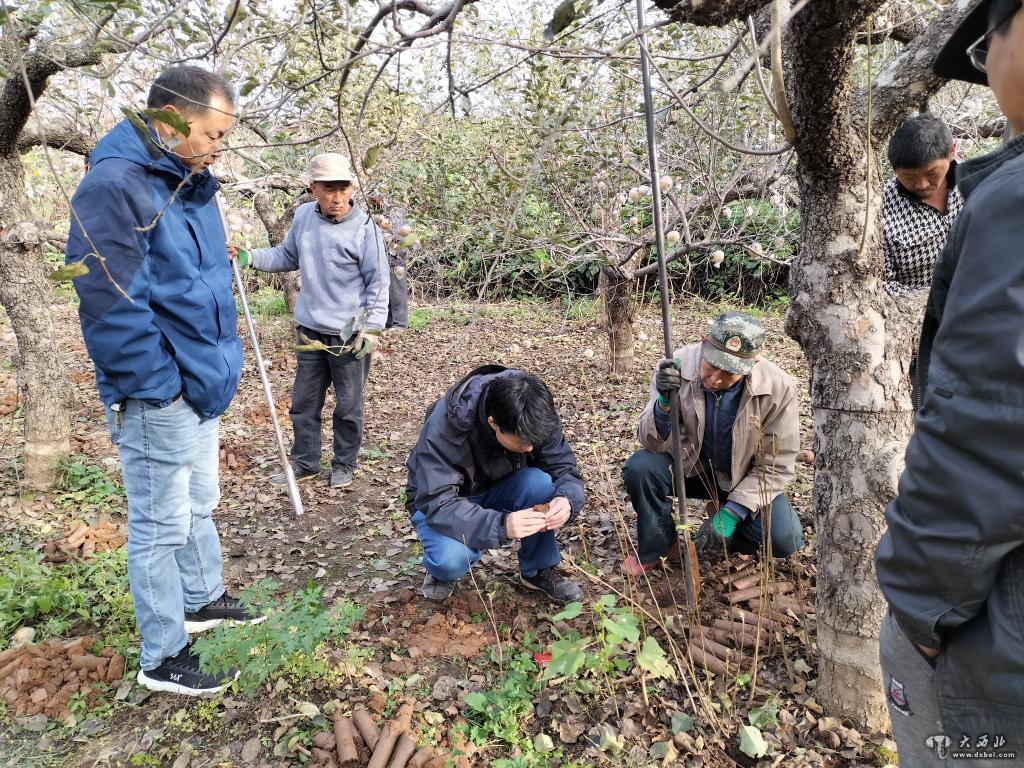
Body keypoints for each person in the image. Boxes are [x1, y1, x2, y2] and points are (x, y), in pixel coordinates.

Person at [65, 66, 263, 696]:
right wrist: (160, 385)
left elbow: (194, 284)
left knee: (199, 504)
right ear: (174, 120)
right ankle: (163, 656)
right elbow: (109, 302)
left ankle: (202, 598)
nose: (218, 147)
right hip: (160, 391)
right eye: (211, 133)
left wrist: (206, 375)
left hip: (200, 383)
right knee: (158, 525)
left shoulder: (189, 181)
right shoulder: (113, 186)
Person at [876, 0, 1024, 755]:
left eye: (934, 178)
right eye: (913, 182)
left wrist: (917, 603)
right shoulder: (888, 212)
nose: (926, 192)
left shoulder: (1002, 195)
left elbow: (988, 424)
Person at [229, 153, 390, 488]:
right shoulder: (303, 217)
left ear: (350, 188)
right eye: (328, 188)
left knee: (348, 405)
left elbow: (379, 283)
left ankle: (344, 464)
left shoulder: (365, 229)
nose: (336, 197)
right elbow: (287, 256)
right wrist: (249, 257)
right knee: (303, 402)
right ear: (312, 187)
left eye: (343, 188)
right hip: (310, 329)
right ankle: (306, 462)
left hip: (349, 332)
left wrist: (372, 327)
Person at [621, 312, 803, 575]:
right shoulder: (675, 368)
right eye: (712, 365)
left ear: (753, 362)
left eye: (730, 373)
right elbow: (651, 442)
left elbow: (776, 465)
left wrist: (732, 512)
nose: (716, 379)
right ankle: (659, 546)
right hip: (689, 468)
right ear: (703, 343)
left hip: (741, 477)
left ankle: (724, 523)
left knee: (785, 539)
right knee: (641, 468)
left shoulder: (779, 388)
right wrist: (663, 405)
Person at [405, 366, 585, 604]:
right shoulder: (447, 425)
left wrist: (567, 500)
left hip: (498, 487)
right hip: (443, 502)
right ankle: (439, 573)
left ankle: (538, 569)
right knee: (451, 560)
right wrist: (501, 526)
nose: (530, 448)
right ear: (493, 423)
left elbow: (563, 467)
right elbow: (437, 501)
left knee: (540, 484)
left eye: (535, 441)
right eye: (522, 443)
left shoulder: (535, 411)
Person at [883, 114, 964, 298]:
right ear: (894, 169)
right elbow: (883, 286)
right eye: (909, 177)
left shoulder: (978, 183)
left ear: (952, 152)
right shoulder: (880, 210)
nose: (922, 185)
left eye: (932, 173)